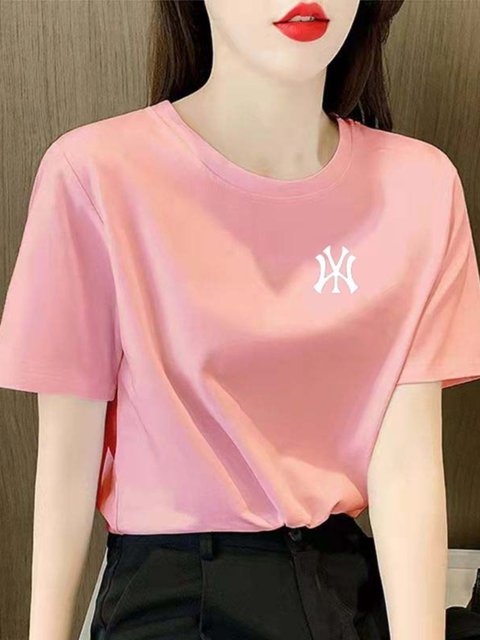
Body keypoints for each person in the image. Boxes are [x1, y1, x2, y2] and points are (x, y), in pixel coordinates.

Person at [0, 1, 480, 639]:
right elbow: (67, 460)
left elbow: (408, 463)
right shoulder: (96, 173)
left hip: (343, 577)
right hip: (179, 591)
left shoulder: (420, 185)